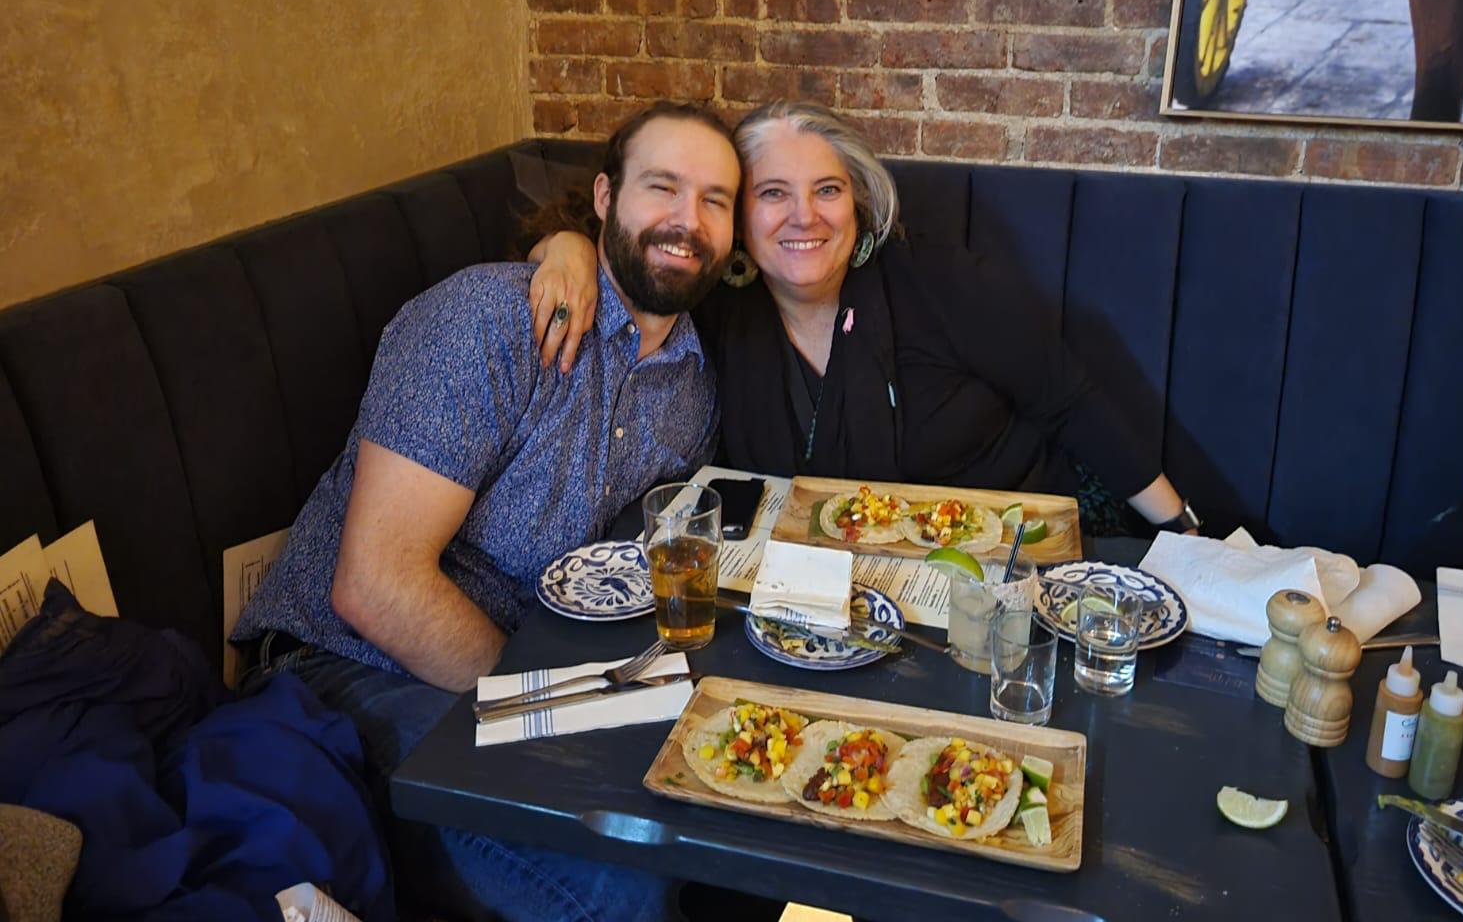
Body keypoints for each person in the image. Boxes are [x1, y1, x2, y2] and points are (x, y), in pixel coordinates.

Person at [232, 101, 740, 922]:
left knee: (716, 802)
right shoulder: (488, 322)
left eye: (715, 199)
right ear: (605, 197)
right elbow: (374, 586)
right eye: (663, 187)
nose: (688, 220)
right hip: (344, 670)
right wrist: (560, 710)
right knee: (616, 887)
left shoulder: (692, 384)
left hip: (525, 672)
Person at [529, 101, 1199, 536]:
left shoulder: (939, 281)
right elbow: (629, 258)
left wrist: (1185, 537)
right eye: (772, 194)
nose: (805, 217)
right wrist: (565, 248)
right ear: (735, 221)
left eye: (827, 190)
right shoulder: (718, 305)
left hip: (1014, 550)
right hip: (834, 588)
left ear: (858, 203)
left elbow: (1073, 400)